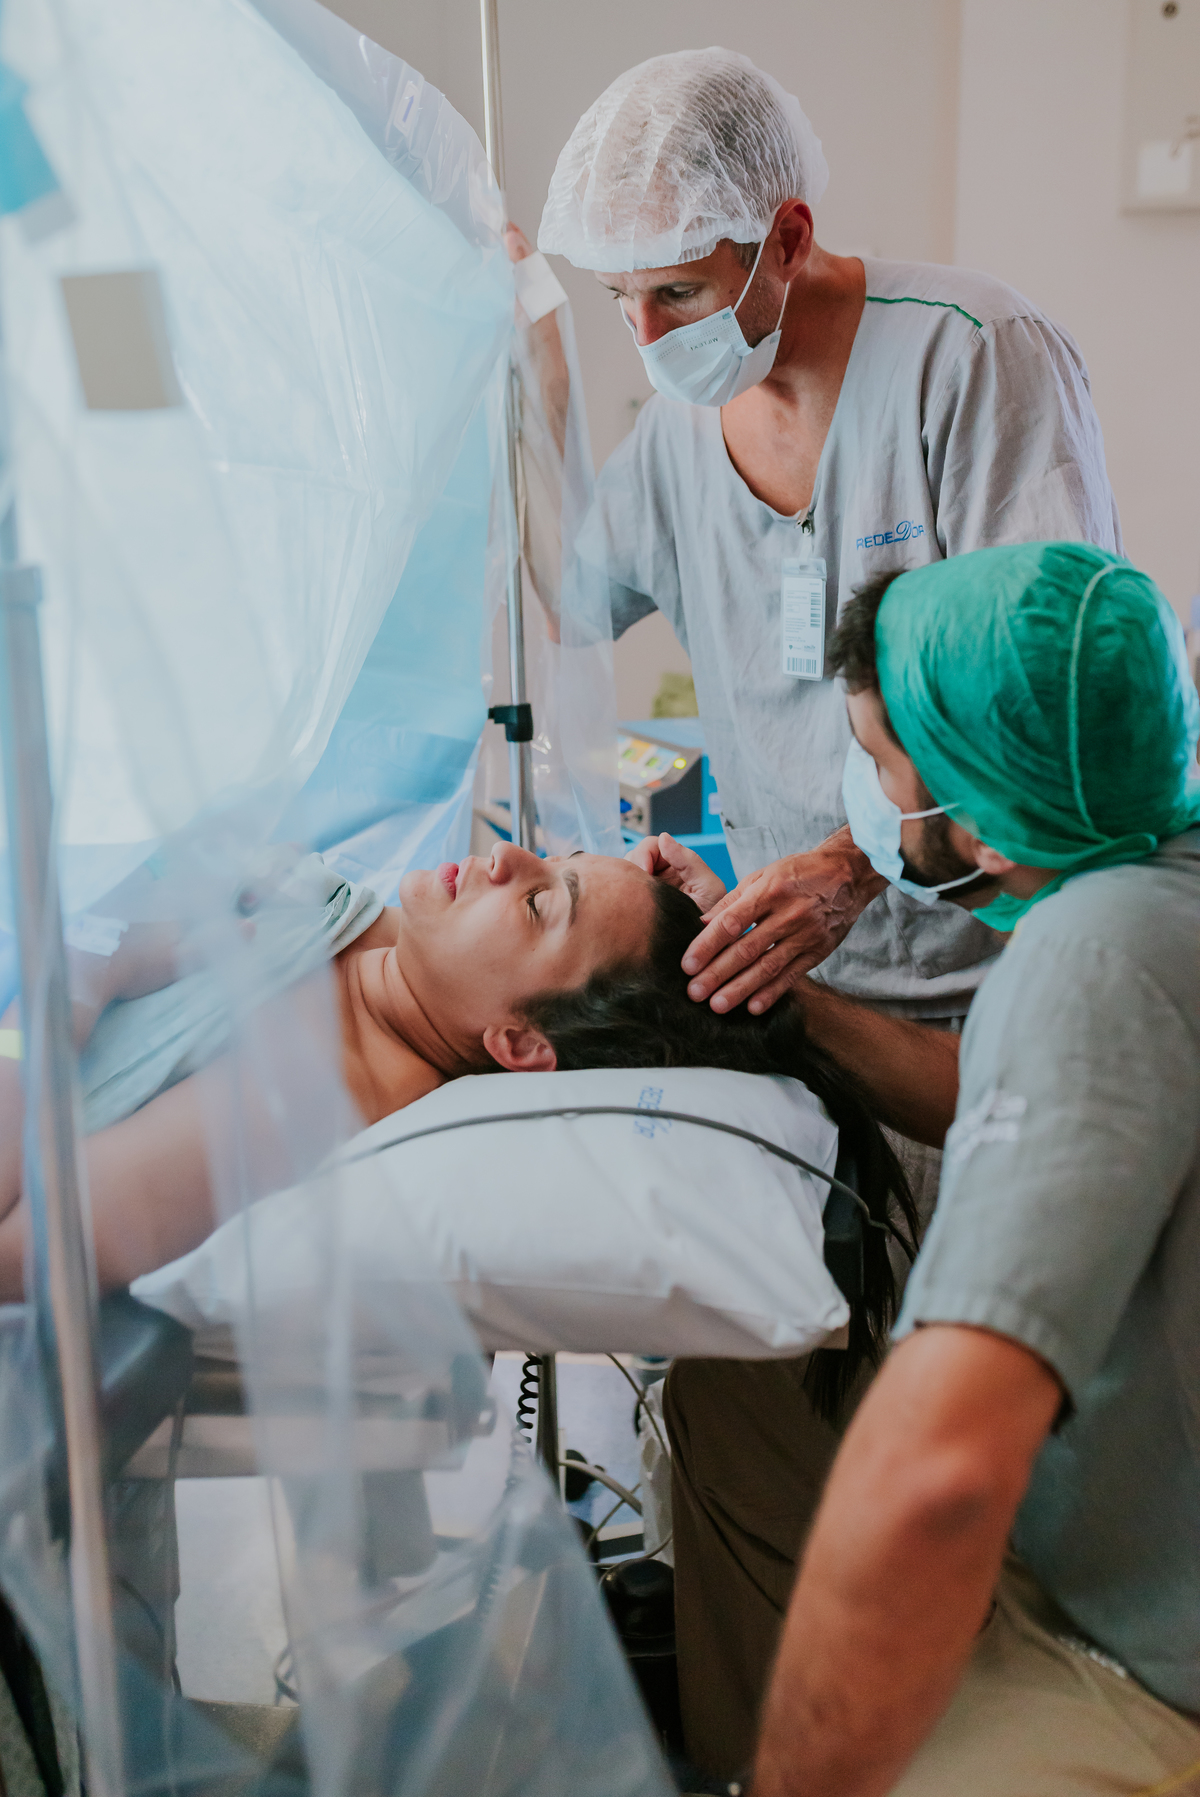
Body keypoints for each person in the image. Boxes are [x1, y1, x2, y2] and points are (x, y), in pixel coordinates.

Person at [739, 540, 1200, 1796]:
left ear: (983, 808)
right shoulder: (1156, 895)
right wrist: (799, 1009)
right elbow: (1043, 1103)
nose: (872, 800)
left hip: (1141, 1669)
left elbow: (939, 1472)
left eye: (883, 767)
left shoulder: (1090, 957)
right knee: (733, 1412)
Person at [0, 840, 917, 1348]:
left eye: (536, 903)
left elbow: (25, 1251)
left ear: (518, 1042)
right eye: (556, 858)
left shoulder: (289, 1098)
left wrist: (79, 980)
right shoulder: (377, 945)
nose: (504, 857)